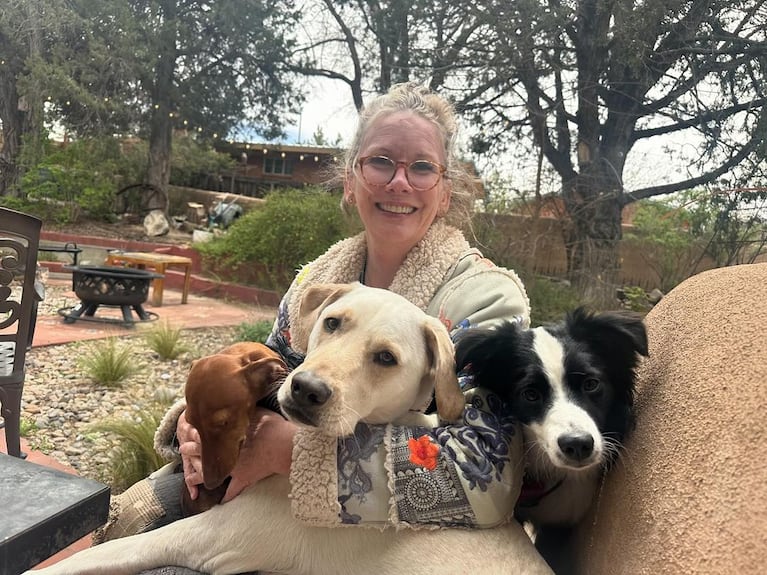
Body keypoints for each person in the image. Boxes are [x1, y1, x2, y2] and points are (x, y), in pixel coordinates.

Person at [97, 82, 531, 572]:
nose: (398, 182)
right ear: (351, 180)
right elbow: (263, 382)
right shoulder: (317, 280)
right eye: (380, 161)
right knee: (130, 514)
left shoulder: (487, 300)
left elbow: (487, 474)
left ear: (446, 192)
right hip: (270, 502)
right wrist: (199, 426)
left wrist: (293, 453)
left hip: (384, 544)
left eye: (422, 167)